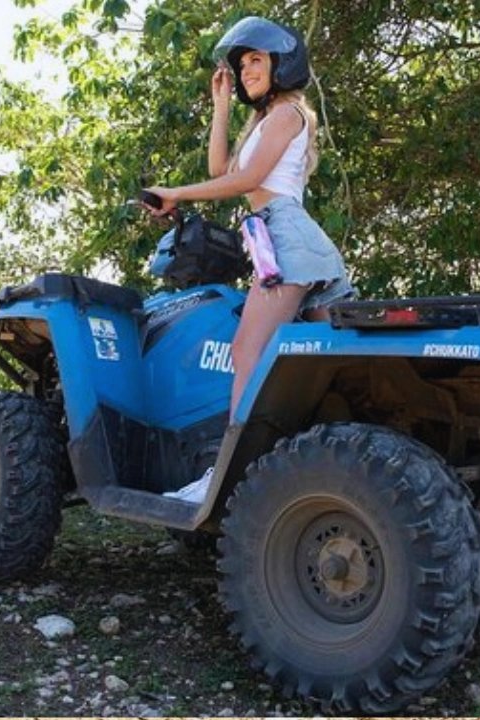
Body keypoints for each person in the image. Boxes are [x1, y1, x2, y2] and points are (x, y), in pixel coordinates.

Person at [145, 16, 355, 503]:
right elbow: (222, 169)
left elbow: (246, 181)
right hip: (280, 240)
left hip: (287, 236)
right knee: (337, 364)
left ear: (283, 64)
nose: (246, 71)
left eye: (256, 60)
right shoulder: (263, 120)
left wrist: (177, 193)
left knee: (246, 352)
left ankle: (227, 478)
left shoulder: (289, 113)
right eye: (241, 66)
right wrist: (221, 105)